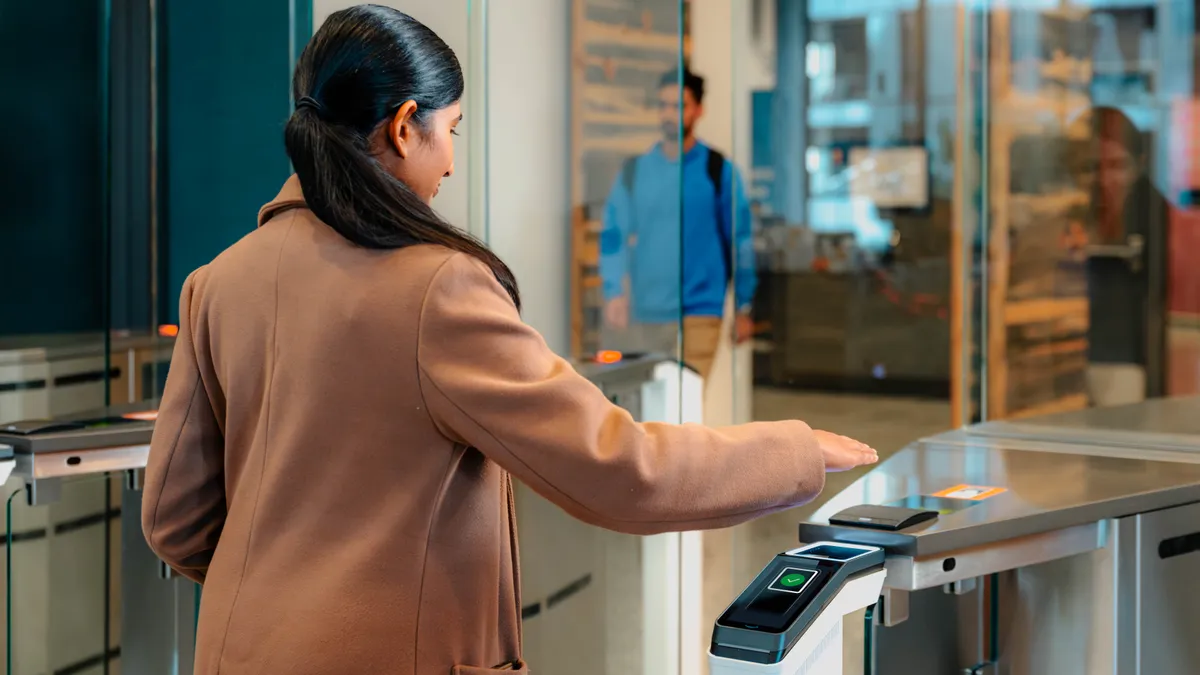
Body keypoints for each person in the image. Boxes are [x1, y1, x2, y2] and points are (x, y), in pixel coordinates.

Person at [140, 7, 877, 674]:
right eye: (450, 130)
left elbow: (174, 520)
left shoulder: (218, 282)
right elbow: (620, 469)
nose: (452, 162)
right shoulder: (436, 289)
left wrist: (286, 589)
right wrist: (795, 450)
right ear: (404, 126)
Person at [599, 68, 756, 380]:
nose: (669, 114)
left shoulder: (718, 171)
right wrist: (614, 291)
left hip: (701, 311)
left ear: (698, 110)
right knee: (652, 411)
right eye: (663, 105)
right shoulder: (636, 171)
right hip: (647, 312)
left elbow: (740, 241)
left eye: (679, 106)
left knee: (688, 408)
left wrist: (744, 307)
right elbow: (613, 234)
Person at [1070, 106, 1168, 404]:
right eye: (1092, 168)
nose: (1103, 180)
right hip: (1070, 353)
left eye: (1116, 166)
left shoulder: (1153, 214)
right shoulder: (1069, 212)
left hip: (1124, 360)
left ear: (1139, 164)